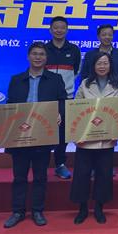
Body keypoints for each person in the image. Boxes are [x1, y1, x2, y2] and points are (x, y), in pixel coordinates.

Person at [3, 42, 67, 229]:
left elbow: (63, 101)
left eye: (41, 54)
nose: (38, 57)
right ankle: (18, 211)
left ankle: (37, 211)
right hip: (20, 135)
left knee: (40, 176)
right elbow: (10, 105)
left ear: (46, 58)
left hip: (43, 134)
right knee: (19, 177)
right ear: (28, 56)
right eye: (34, 54)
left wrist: (59, 113)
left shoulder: (55, 79)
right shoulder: (16, 79)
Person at [70, 52, 118, 224]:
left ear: (110, 65)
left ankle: (99, 208)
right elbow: (76, 109)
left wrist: (117, 132)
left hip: (106, 139)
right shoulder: (85, 84)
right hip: (85, 139)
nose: (102, 66)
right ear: (93, 66)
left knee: (104, 174)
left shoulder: (116, 85)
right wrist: (76, 134)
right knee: (82, 174)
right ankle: (83, 208)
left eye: (105, 63)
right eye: (99, 63)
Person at [45, 16, 81, 180]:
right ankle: (42, 164)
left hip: (66, 97)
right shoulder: (44, 49)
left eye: (62, 28)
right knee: (44, 130)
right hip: (46, 97)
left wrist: (65, 86)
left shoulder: (73, 50)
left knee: (63, 133)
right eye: (56, 27)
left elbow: (76, 71)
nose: (59, 30)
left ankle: (60, 164)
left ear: (67, 30)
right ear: (50, 29)